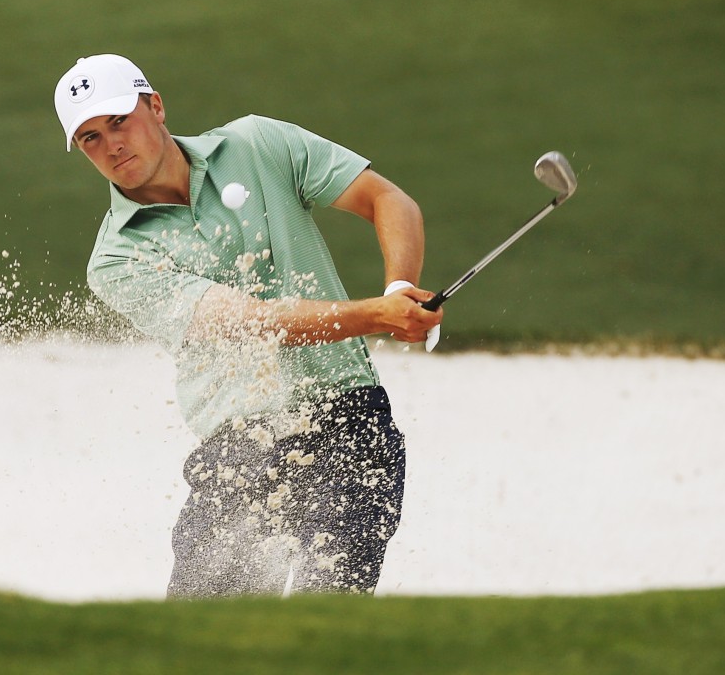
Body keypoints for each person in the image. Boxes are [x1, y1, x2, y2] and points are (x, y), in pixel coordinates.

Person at [53, 54, 443, 597]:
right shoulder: (116, 260)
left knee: (323, 619)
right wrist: (374, 316)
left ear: (156, 105)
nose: (112, 144)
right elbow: (255, 324)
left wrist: (399, 287)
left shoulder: (257, 145)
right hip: (236, 453)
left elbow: (387, 199)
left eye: (120, 121)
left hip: (349, 424)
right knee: (201, 640)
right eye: (91, 137)